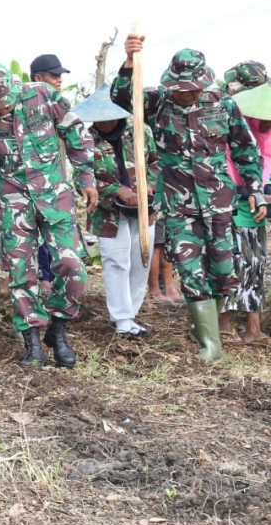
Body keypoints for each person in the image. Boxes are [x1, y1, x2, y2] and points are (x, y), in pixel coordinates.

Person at [112, 38, 266, 362]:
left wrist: (254, 189)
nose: (188, 93)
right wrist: (128, 61)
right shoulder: (157, 102)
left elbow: (245, 148)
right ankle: (211, 345)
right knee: (191, 270)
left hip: (218, 202)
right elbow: (122, 98)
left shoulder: (222, 104)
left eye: (194, 88)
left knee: (224, 271)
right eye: (182, 88)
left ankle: (203, 328)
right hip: (177, 205)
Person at [0, 65, 96, 368]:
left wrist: (86, 178)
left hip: (54, 197)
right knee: (21, 274)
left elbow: (76, 134)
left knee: (73, 266)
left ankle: (58, 329)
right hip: (13, 203)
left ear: (14, 89)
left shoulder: (43, 95)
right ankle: (32, 342)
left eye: (3, 103)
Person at [75, 87, 158, 337]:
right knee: (116, 261)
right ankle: (122, 319)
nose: (106, 123)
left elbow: (155, 162)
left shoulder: (141, 132)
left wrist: (149, 185)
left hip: (144, 208)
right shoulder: (86, 140)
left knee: (141, 259)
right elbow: (82, 178)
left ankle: (132, 313)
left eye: (110, 117)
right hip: (107, 212)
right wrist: (116, 191)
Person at [219, 61, 271, 343]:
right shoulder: (225, 119)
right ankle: (223, 323)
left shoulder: (265, 123)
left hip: (256, 204)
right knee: (230, 262)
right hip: (230, 201)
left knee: (255, 263)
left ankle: (254, 328)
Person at [29, 54, 73, 286]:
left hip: (55, 180)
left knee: (58, 234)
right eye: (54, 76)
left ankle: (55, 280)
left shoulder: (59, 105)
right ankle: (43, 277)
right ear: (38, 78)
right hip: (29, 183)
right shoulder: (24, 108)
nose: (59, 80)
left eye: (60, 75)